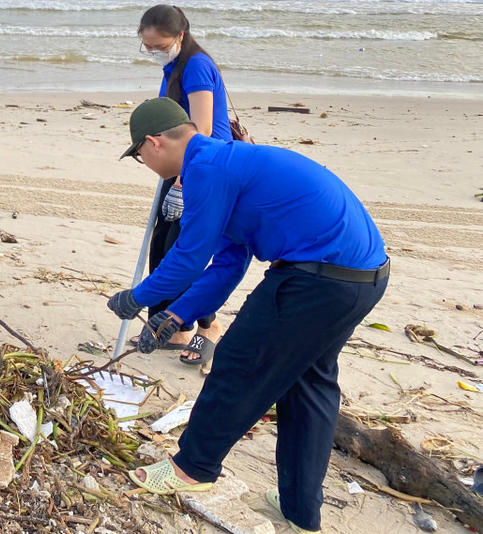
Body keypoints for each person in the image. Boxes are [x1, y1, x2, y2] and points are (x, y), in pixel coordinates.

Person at [107, 98, 388, 534]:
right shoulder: (222, 160)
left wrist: (138, 297)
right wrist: (177, 314)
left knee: (239, 361)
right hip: (362, 277)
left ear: (153, 142)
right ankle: (299, 510)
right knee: (307, 385)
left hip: (317, 278)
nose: (142, 162)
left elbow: (188, 255)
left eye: (138, 154)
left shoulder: (206, 170)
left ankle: (192, 469)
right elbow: (229, 261)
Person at [137, 4, 232, 366]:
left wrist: (179, 184)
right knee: (162, 245)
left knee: (183, 249)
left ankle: (209, 326)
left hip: (205, 169)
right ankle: (175, 328)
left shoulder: (197, 66)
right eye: (147, 45)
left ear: (180, 36)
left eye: (159, 44)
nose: (153, 51)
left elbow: (203, 130)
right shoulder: (174, 65)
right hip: (179, 165)